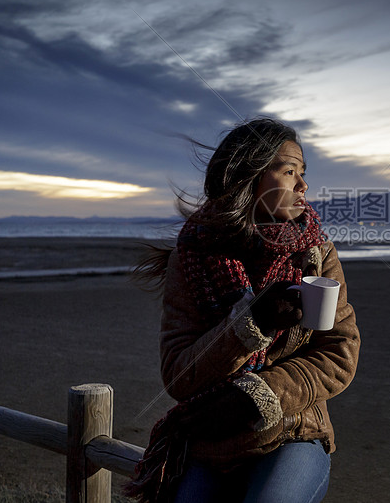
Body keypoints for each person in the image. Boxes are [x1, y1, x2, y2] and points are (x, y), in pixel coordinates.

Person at [125, 118, 360, 503]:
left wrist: (259, 395)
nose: (303, 185)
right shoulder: (193, 258)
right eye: (289, 171)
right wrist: (251, 324)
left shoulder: (315, 253)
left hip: (294, 431)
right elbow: (178, 375)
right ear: (249, 177)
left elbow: (339, 353)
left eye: (303, 173)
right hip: (212, 441)